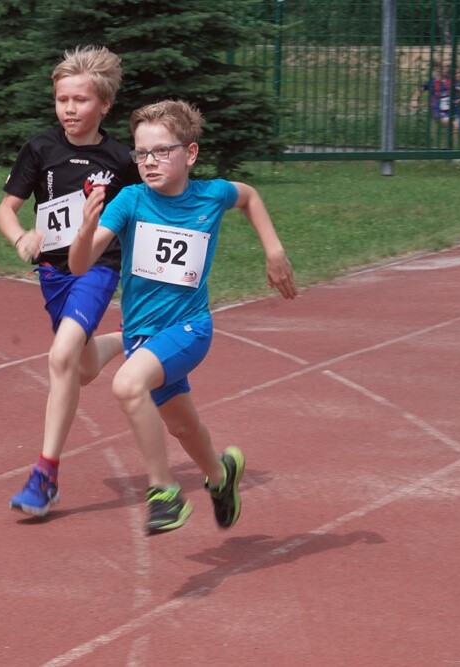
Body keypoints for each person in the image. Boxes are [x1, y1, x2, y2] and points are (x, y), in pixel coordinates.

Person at [69, 99, 297, 535]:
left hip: (189, 329)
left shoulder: (211, 195)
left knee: (127, 383)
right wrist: (83, 232)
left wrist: (274, 250)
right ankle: (220, 476)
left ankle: (164, 494)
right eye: (141, 153)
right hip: (143, 335)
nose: (149, 162)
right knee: (183, 426)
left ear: (189, 153)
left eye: (161, 151)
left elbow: (248, 196)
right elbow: (80, 264)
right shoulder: (131, 200)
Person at [0, 45, 141, 517]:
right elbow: (6, 210)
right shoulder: (41, 148)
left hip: (98, 269)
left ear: (104, 105)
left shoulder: (121, 159)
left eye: (80, 100)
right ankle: (127, 338)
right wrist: (21, 238)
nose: (70, 109)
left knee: (60, 357)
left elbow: (149, 209)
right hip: (53, 274)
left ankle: (45, 475)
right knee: (78, 367)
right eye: (62, 100)